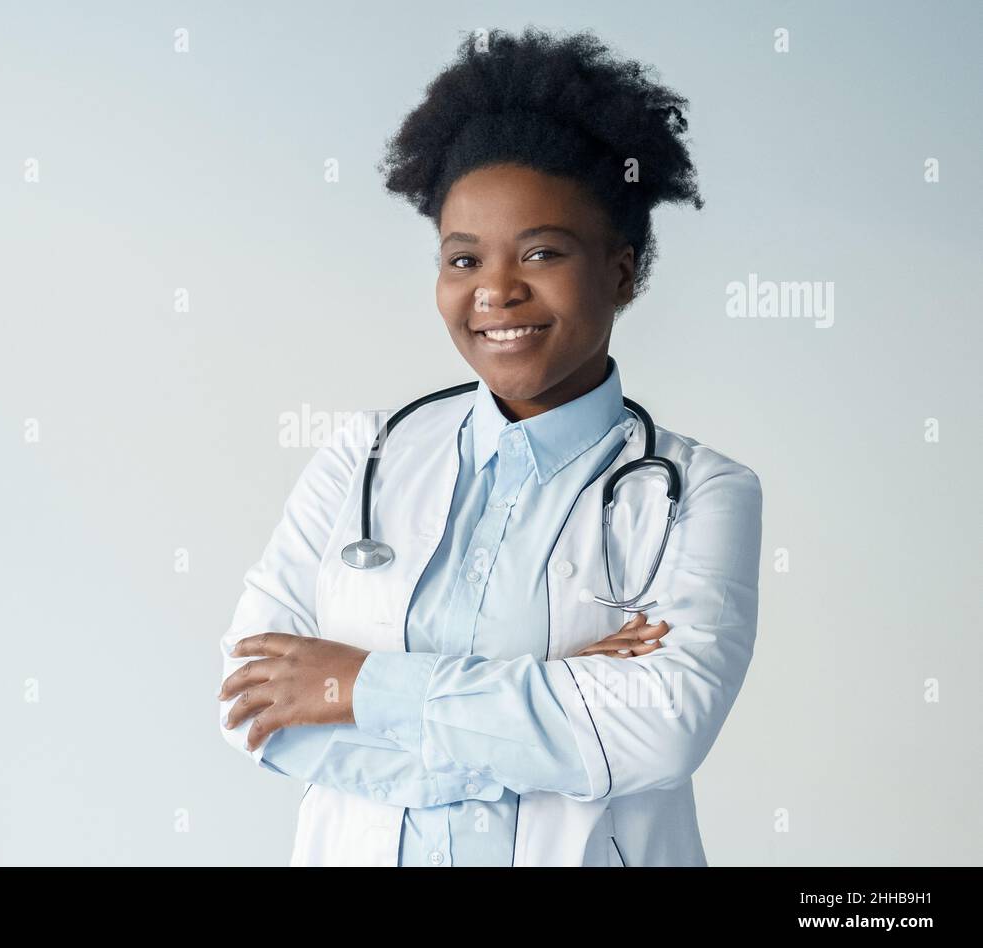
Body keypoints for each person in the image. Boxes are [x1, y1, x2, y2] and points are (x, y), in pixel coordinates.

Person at [217, 26, 763, 866]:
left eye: (542, 252)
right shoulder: (360, 458)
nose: (496, 291)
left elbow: (659, 729)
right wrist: (555, 699)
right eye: (462, 258)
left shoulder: (704, 491)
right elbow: (253, 704)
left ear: (621, 272)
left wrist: (359, 683)